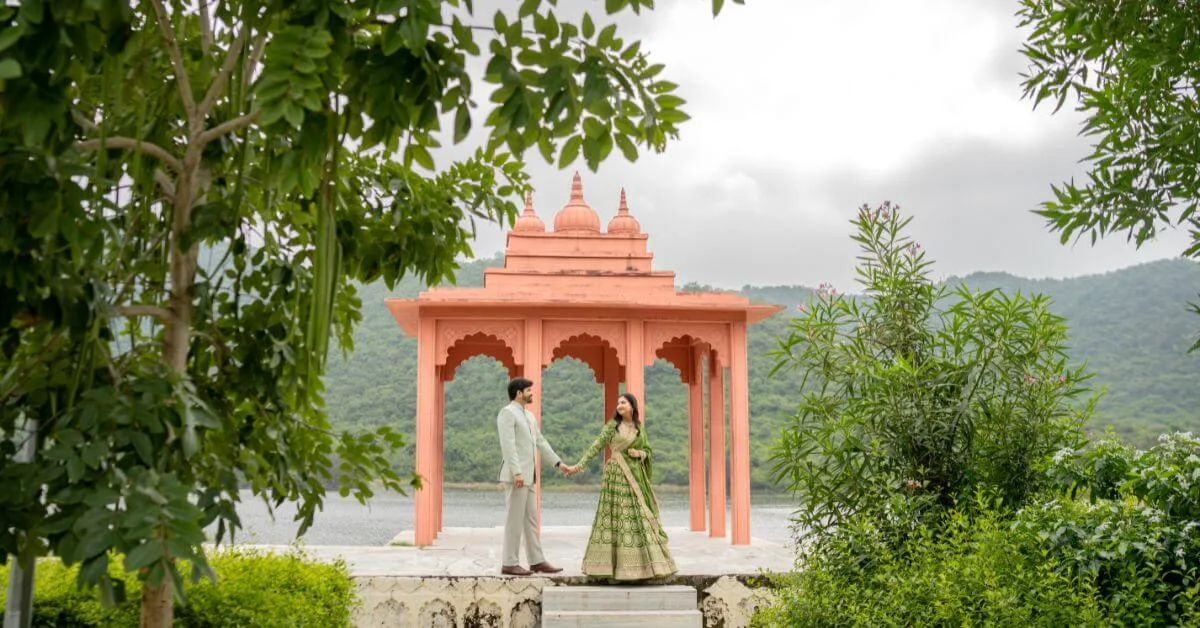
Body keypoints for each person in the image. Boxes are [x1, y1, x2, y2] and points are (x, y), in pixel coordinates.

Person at [572, 392, 678, 580]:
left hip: (634, 477)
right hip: (615, 476)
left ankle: (643, 567)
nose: (619, 405)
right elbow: (596, 446)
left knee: (636, 517)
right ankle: (607, 568)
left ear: (632, 406)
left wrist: (640, 454)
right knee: (614, 518)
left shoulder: (639, 429)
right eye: (618, 402)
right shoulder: (613, 426)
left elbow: (648, 450)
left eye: (623, 402)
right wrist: (579, 465)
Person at [496, 377, 577, 576]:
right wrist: (516, 472)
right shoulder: (507, 413)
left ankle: (537, 561)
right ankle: (509, 562)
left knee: (531, 520)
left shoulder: (529, 416)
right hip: (517, 476)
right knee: (513, 521)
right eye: (529, 390)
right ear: (519, 393)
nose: (532, 393)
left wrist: (559, 464)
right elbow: (508, 446)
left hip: (529, 477)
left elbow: (541, 443)